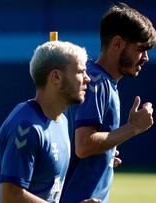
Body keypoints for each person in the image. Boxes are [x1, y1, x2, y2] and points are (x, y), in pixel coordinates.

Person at [60, 4, 156, 203]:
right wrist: (134, 128)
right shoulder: (97, 82)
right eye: (140, 49)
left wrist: (105, 153)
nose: (145, 57)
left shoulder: (98, 81)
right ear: (118, 43)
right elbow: (84, 145)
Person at [0, 40, 92, 203]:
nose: (87, 79)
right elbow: (11, 196)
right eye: (80, 72)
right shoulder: (26, 127)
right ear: (56, 76)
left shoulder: (62, 121)